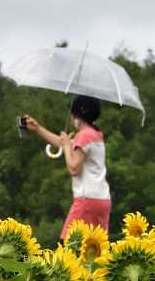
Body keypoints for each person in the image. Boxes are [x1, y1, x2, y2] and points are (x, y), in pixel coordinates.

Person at [21, 95, 109, 239]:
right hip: (101, 200)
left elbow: (74, 168)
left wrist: (67, 146)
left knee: (66, 245)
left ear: (78, 115)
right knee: (96, 247)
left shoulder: (84, 135)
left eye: (72, 114)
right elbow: (62, 143)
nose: (70, 118)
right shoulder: (95, 134)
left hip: (86, 200)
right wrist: (37, 128)